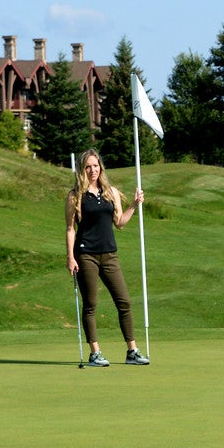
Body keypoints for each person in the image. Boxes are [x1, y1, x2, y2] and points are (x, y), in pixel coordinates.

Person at [65, 149, 150, 367]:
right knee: (91, 304)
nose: (93, 170)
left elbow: (119, 223)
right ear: (82, 170)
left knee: (124, 302)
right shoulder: (75, 195)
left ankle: (132, 351)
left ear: (100, 167)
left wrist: (134, 204)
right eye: (88, 167)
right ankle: (95, 353)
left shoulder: (110, 192)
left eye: (96, 166)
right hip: (86, 255)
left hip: (109, 254)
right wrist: (70, 257)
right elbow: (70, 229)